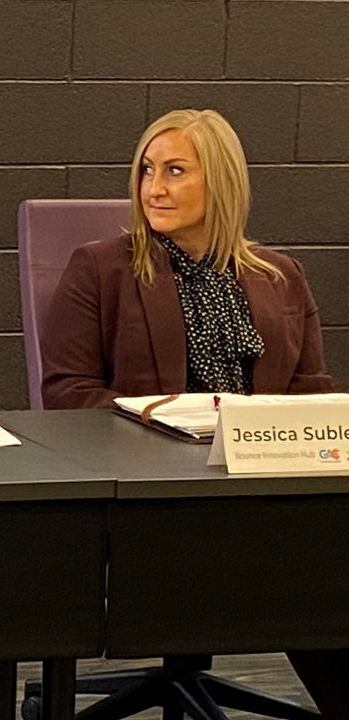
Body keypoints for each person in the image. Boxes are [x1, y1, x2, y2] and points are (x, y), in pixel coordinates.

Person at [40, 108, 347, 716]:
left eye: (175, 171)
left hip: (257, 489)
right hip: (149, 500)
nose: (153, 187)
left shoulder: (282, 276)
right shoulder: (101, 268)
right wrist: (174, 423)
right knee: (304, 569)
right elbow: (68, 395)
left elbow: (313, 393)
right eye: (147, 170)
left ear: (223, 181)